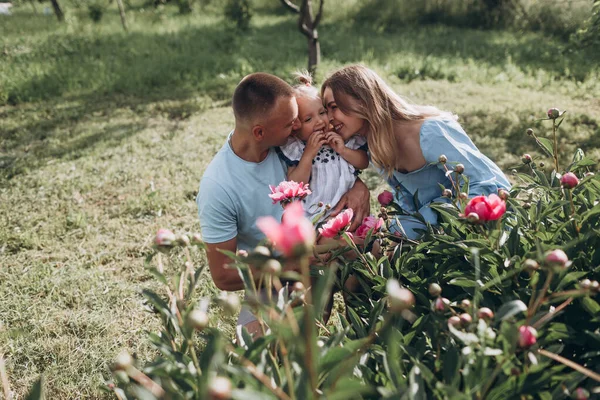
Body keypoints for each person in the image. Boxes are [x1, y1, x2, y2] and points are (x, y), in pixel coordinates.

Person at [196, 72, 370, 336]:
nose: (300, 127)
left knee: (364, 265)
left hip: (332, 244)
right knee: (262, 343)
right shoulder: (219, 186)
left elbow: (333, 167)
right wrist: (297, 263)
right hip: (280, 273)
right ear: (259, 132)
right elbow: (223, 276)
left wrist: (359, 188)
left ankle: (364, 336)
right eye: (292, 123)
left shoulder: (284, 140)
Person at [320, 65, 510, 239]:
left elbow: (484, 185)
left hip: (490, 219)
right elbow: (407, 201)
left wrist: (421, 222)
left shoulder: (430, 132)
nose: (329, 119)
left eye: (334, 108)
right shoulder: (375, 147)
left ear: (362, 101)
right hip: (439, 229)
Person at [277, 71, 369, 220]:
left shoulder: (341, 137)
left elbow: (363, 162)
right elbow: (295, 184)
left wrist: (343, 150)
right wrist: (308, 154)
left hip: (347, 208)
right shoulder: (297, 149)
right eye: (308, 119)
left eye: (322, 112)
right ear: (295, 128)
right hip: (314, 214)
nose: (319, 121)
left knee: (369, 242)